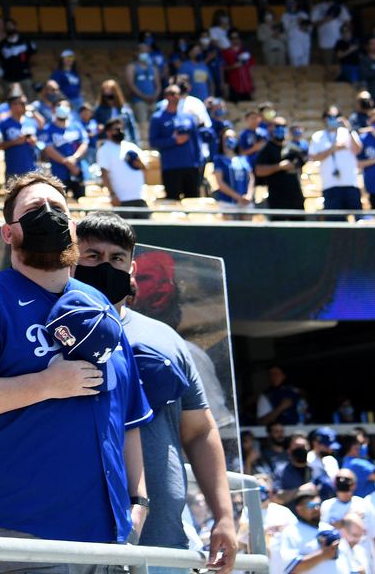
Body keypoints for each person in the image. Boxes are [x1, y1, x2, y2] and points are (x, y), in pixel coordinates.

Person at [0, 172, 152, 569]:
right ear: (8, 233)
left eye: (58, 210)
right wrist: (47, 384)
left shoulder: (98, 304)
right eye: (34, 210)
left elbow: (129, 418)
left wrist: (138, 503)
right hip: (18, 535)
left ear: (72, 227)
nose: (48, 216)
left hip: (109, 538)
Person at [72, 214, 240, 572]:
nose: (105, 266)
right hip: (73, 544)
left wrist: (224, 517)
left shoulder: (166, 340)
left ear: (131, 269)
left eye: (116, 258)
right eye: (92, 256)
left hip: (162, 547)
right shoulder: (47, 333)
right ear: (71, 258)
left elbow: (200, 431)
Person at [96, 119, 151, 210]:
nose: (120, 131)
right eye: (116, 129)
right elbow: (104, 175)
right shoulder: (104, 150)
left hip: (140, 197)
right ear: (108, 132)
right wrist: (112, 195)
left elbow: (146, 168)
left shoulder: (132, 146)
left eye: (121, 129)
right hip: (121, 200)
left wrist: (140, 164)